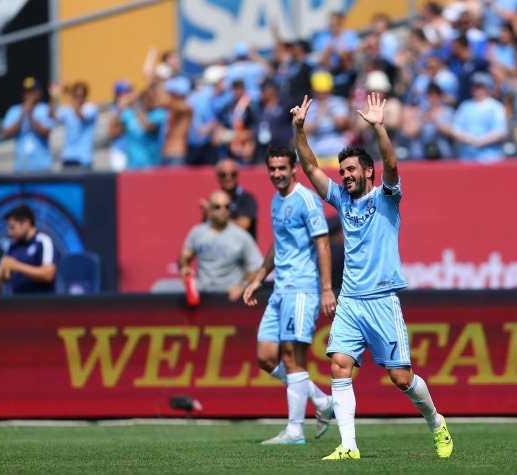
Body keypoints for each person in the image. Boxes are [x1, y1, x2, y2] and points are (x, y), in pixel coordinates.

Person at [291, 94, 454, 460]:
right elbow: (311, 168)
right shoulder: (343, 200)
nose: (344, 175)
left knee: (401, 378)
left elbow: (392, 163)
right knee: (339, 365)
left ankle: (435, 422)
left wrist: (378, 126)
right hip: (350, 300)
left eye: (351, 170)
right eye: (342, 171)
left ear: (368, 171)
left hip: (382, 299)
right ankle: (348, 446)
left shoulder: (386, 197)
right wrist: (299, 130)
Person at [242, 145, 336, 445]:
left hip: (302, 288)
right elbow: (277, 243)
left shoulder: (307, 200)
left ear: (293, 168)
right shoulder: (275, 200)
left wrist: (325, 289)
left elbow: (323, 244)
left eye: (282, 168)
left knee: (293, 359)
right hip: (280, 289)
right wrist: (259, 277)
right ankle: (321, 401)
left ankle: (295, 431)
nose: (277, 174)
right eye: (272, 168)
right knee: (266, 357)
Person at [179, 190, 263, 302]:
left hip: (228, 299)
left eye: (227, 207)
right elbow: (184, 256)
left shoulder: (241, 235)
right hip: (201, 298)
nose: (223, 210)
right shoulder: (197, 232)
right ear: (209, 209)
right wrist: (185, 266)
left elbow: (257, 266)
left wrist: (242, 286)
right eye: (217, 207)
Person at [0, 205, 58, 294]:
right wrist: (2, 272)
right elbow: (6, 277)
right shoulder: (13, 246)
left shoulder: (43, 242)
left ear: (26, 224)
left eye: (12, 228)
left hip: (41, 303)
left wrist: (16, 266)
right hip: (16, 303)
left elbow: (48, 274)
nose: (9, 233)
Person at [2, 77, 55, 171]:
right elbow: (6, 133)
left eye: (33, 92)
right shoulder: (14, 110)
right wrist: (22, 116)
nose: (30, 95)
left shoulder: (45, 109)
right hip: (21, 166)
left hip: (42, 166)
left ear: (39, 93)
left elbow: (45, 133)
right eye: (27, 92)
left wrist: (31, 115)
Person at [200, 158, 258, 239]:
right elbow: (205, 231)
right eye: (223, 175)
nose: (228, 178)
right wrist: (206, 215)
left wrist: (213, 214)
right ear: (217, 177)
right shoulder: (213, 200)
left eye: (233, 174)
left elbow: (242, 227)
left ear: (238, 175)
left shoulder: (248, 199)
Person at [49, 81, 99, 170]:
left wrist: (69, 95)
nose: (78, 99)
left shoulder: (91, 109)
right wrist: (53, 98)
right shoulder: (67, 110)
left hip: (84, 159)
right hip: (68, 157)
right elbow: (52, 116)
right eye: (76, 96)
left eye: (81, 96)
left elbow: (81, 116)